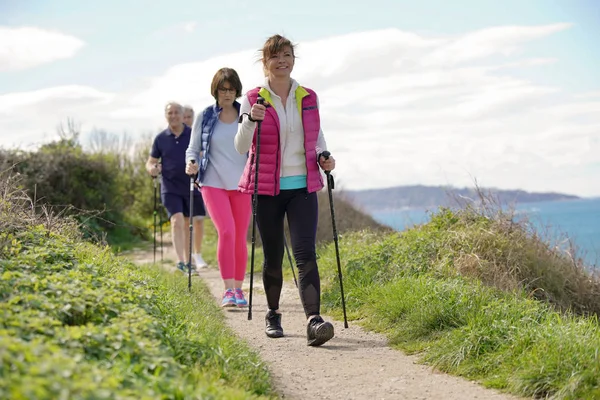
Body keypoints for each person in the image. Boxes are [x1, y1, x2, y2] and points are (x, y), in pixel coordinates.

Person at [234, 34, 337, 346]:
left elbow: (316, 135)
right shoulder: (254, 98)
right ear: (266, 63)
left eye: (287, 55)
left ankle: (313, 320)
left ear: (293, 59)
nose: (282, 61)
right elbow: (241, 146)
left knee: (306, 253)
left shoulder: (308, 96)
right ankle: (273, 313)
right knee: (274, 255)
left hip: (303, 185)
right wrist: (251, 120)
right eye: (275, 57)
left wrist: (324, 156)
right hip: (267, 189)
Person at [185, 68, 251, 308]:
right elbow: (192, 149)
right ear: (216, 90)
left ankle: (239, 289)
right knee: (226, 231)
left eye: (231, 89)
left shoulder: (246, 115)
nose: (227, 93)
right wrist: (190, 163)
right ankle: (227, 290)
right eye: (223, 89)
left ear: (237, 91)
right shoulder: (206, 116)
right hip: (212, 182)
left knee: (239, 237)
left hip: (243, 184)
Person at [146, 102, 208, 273]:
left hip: (190, 184)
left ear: (182, 115)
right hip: (170, 186)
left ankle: (189, 261)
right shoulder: (160, 138)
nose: (173, 116)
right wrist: (152, 168)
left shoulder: (192, 134)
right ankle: (181, 261)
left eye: (176, 112)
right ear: (166, 116)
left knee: (189, 222)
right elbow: (151, 161)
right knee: (177, 220)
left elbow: (203, 154)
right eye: (169, 113)